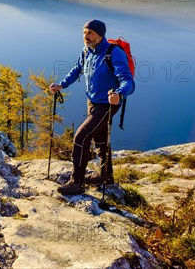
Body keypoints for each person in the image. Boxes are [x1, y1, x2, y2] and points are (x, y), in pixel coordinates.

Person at [50, 19, 135, 195]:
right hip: (93, 101)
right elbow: (77, 69)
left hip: (108, 103)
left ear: (100, 35)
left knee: (81, 137)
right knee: (101, 139)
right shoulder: (86, 51)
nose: (86, 36)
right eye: (84, 32)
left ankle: (77, 182)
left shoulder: (113, 53)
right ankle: (106, 176)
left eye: (90, 33)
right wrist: (62, 85)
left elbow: (128, 80)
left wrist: (119, 94)